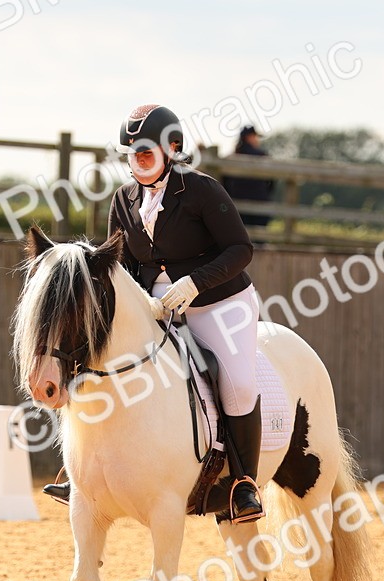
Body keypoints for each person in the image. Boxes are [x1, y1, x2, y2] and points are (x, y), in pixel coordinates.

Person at [43, 104, 266, 523]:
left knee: (235, 381)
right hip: (155, 304)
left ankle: (243, 484)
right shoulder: (123, 199)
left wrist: (196, 282)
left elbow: (241, 249)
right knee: (99, 363)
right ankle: (82, 473)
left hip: (218, 302)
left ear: (172, 149)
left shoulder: (201, 190)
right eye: (131, 155)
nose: (138, 162)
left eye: (145, 153)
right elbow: (119, 264)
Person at [222, 125, 275, 227]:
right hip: (260, 204)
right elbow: (271, 182)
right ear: (249, 137)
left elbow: (224, 182)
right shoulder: (263, 156)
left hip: (236, 207)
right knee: (259, 238)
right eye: (256, 137)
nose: (257, 140)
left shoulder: (232, 158)